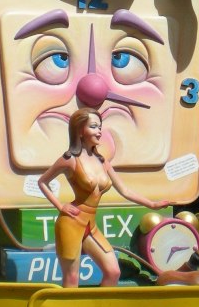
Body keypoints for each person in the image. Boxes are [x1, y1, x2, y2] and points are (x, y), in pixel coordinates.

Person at [37, 107, 169, 288]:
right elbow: (43, 182)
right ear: (80, 131)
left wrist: (152, 204)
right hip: (71, 222)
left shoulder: (101, 160)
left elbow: (125, 190)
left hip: (91, 225)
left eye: (100, 126)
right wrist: (60, 206)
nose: (99, 131)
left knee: (113, 271)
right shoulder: (69, 159)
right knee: (72, 278)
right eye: (93, 126)